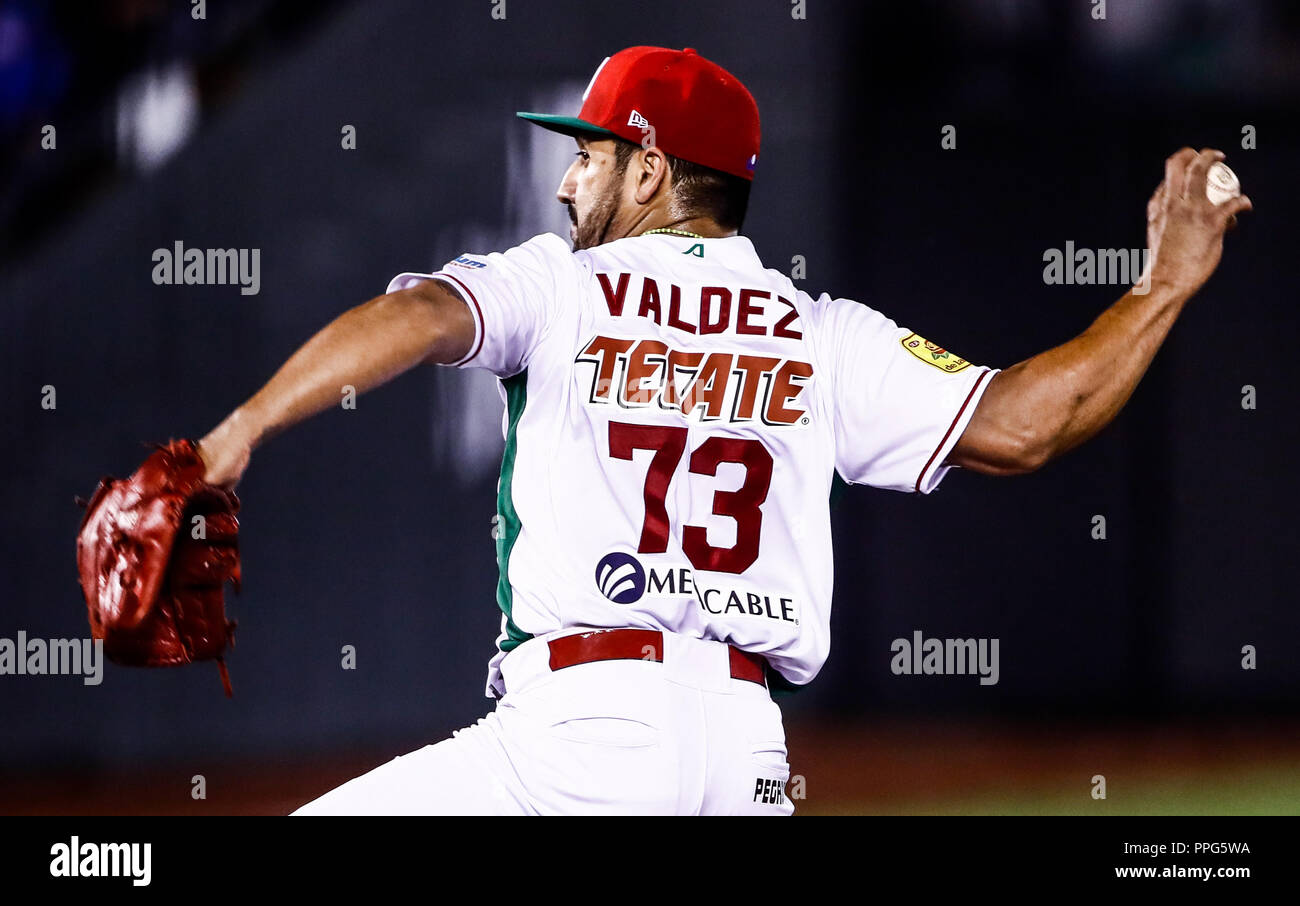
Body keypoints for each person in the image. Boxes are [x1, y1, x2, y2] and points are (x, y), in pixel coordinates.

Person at [192, 46, 1251, 814]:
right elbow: (1026, 424)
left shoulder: (562, 283)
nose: (567, 181)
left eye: (592, 155)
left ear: (649, 171)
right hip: (748, 755)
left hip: (584, 735)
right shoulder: (820, 332)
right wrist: (1160, 288)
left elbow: (417, 315)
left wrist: (236, 431)